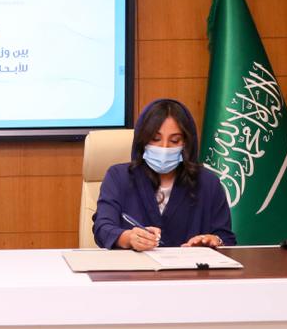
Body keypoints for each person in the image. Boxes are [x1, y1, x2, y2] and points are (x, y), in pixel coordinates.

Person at [93, 98, 236, 250]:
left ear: (186, 143)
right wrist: (127, 238)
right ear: (142, 140)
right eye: (155, 139)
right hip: (135, 264)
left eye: (175, 140)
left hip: (191, 265)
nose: (164, 148)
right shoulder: (118, 177)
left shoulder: (208, 182)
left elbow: (226, 238)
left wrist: (213, 241)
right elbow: (102, 228)